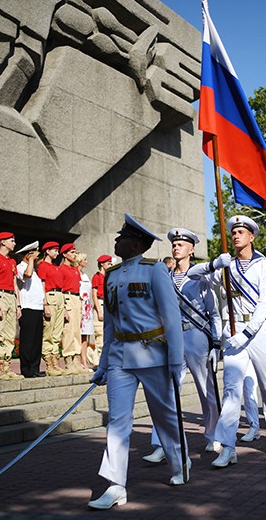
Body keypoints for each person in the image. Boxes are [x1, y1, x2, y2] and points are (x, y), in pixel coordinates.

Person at [88, 214, 186, 510]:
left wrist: (175, 360)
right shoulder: (112, 275)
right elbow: (109, 324)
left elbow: (172, 318)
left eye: (121, 238)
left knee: (164, 414)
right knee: (118, 421)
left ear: (134, 243)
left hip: (153, 353)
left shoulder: (154, 270)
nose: (116, 241)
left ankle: (178, 463)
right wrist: (103, 363)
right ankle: (116, 485)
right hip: (120, 356)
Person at [186, 215, 266, 469]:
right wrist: (212, 265)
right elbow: (191, 273)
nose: (236, 235)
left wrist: (248, 332)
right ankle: (228, 447)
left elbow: (265, 303)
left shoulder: (264, 266)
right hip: (233, 331)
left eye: (242, 231)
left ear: (252, 237)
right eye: (233, 232)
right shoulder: (225, 266)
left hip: (259, 329)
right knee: (231, 390)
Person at [142, 227, 222, 463]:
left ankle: (213, 434)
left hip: (196, 336)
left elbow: (213, 312)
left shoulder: (201, 276)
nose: (176, 247)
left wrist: (216, 343)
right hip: (172, 339)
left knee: (205, 389)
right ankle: (161, 443)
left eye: (181, 244)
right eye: (174, 244)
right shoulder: (164, 275)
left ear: (191, 249)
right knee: (166, 391)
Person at [0, 231, 22, 380]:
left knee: (9, 335)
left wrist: (18, 305)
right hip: (0, 296)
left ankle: (7, 367)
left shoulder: (12, 261)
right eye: (11, 240)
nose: (14, 243)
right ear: (2, 242)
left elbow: (15, 284)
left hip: (10, 297)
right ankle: (0, 368)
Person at [16, 241, 45, 378]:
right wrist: (31, 261)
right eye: (34, 255)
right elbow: (26, 275)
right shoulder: (21, 267)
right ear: (28, 255)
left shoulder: (35, 270)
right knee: (27, 340)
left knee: (36, 340)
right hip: (28, 308)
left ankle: (35, 368)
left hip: (37, 308)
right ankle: (26, 369)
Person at [38, 241, 67, 375]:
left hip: (60, 296)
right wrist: (45, 304)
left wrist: (65, 308)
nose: (57, 252)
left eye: (57, 250)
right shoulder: (43, 266)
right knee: (48, 332)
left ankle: (56, 362)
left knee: (57, 333)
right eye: (54, 250)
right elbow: (42, 286)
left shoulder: (56, 266)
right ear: (47, 251)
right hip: (50, 296)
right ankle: (49, 364)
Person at [59, 243, 88, 374]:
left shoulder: (75, 269)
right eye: (71, 252)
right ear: (64, 254)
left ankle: (77, 360)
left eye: (75, 252)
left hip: (77, 298)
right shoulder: (62, 269)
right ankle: (68, 361)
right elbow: (60, 288)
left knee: (77, 330)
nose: (74, 255)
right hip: (67, 297)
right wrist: (64, 307)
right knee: (68, 330)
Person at [90, 255, 113, 367]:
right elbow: (94, 294)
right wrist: (99, 310)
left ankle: (106, 361)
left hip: (109, 304)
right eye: (108, 263)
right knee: (100, 334)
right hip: (100, 303)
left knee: (108, 335)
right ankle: (99, 361)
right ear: (102, 264)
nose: (110, 265)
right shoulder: (97, 276)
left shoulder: (109, 277)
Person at [77, 252, 94, 371]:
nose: (86, 262)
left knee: (85, 336)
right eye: (85, 259)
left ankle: (84, 360)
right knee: (77, 334)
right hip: (79, 305)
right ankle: (77, 361)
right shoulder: (75, 273)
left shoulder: (85, 275)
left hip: (87, 306)